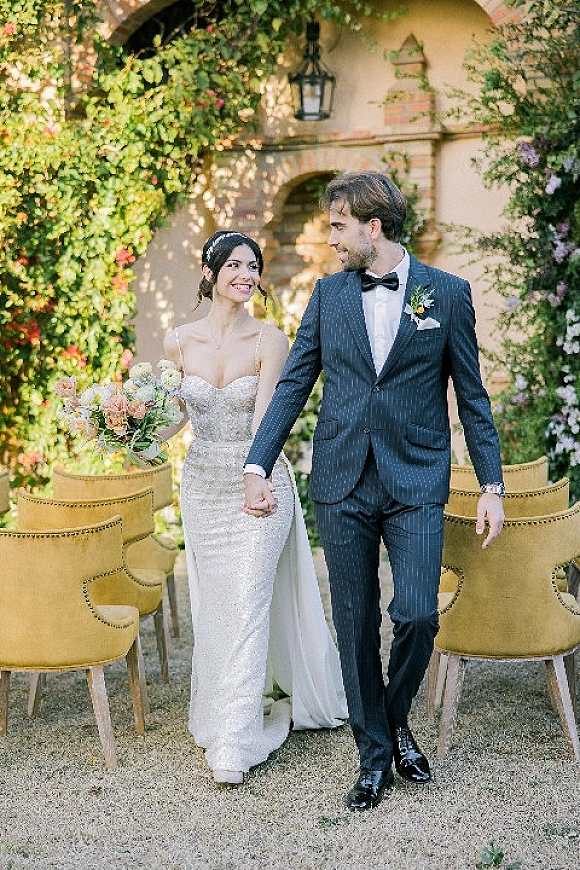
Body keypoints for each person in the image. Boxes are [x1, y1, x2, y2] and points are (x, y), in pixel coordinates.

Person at [243, 171, 505, 810]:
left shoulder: (447, 294)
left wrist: (491, 483)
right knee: (355, 622)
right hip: (342, 480)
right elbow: (294, 384)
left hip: (416, 477)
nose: (330, 238)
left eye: (337, 226)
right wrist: (256, 465)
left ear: (373, 227)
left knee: (418, 613)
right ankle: (374, 754)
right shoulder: (328, 297)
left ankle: (390, 718)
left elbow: (471, 396)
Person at [162, 230, 347, 788]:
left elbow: (269, 423)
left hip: (258, 486)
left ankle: (235, 741)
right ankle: (223, 713)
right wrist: (129, 431)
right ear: (212, 270)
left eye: (254, 266)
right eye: (236, 264)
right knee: (216, 608)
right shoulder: (178, 342)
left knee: (247, 602)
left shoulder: (270, 339)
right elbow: (173, 420)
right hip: (202, 488)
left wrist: (257, 476)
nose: (246, 274)